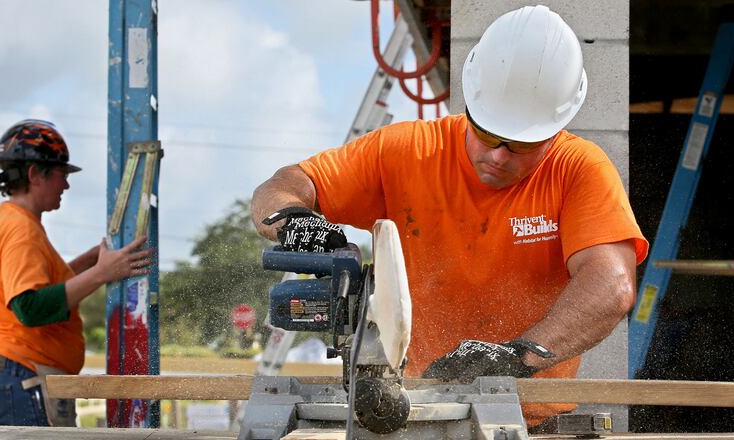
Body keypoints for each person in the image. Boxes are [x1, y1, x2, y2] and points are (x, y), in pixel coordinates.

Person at [251, 5, 649, 428]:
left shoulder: (578, 169)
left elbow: (612, 285)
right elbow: (283, 185)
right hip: (413, 411)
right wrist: (292, 218)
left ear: (555, 129)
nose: (498, 156)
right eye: (487, 134)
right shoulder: (407, 152)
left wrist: (518, 355)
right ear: (471, 104)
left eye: (519, 144)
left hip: (528, 421)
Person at [0, 119, 153, 426]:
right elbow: (30, 307)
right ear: (35, 174)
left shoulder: (7, 220)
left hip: (5, 371)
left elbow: (47, 285)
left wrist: (93, 262)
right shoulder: (21, 230)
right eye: (61, 174)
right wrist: (101, 274)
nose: (65, 185)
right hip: (18, 371)